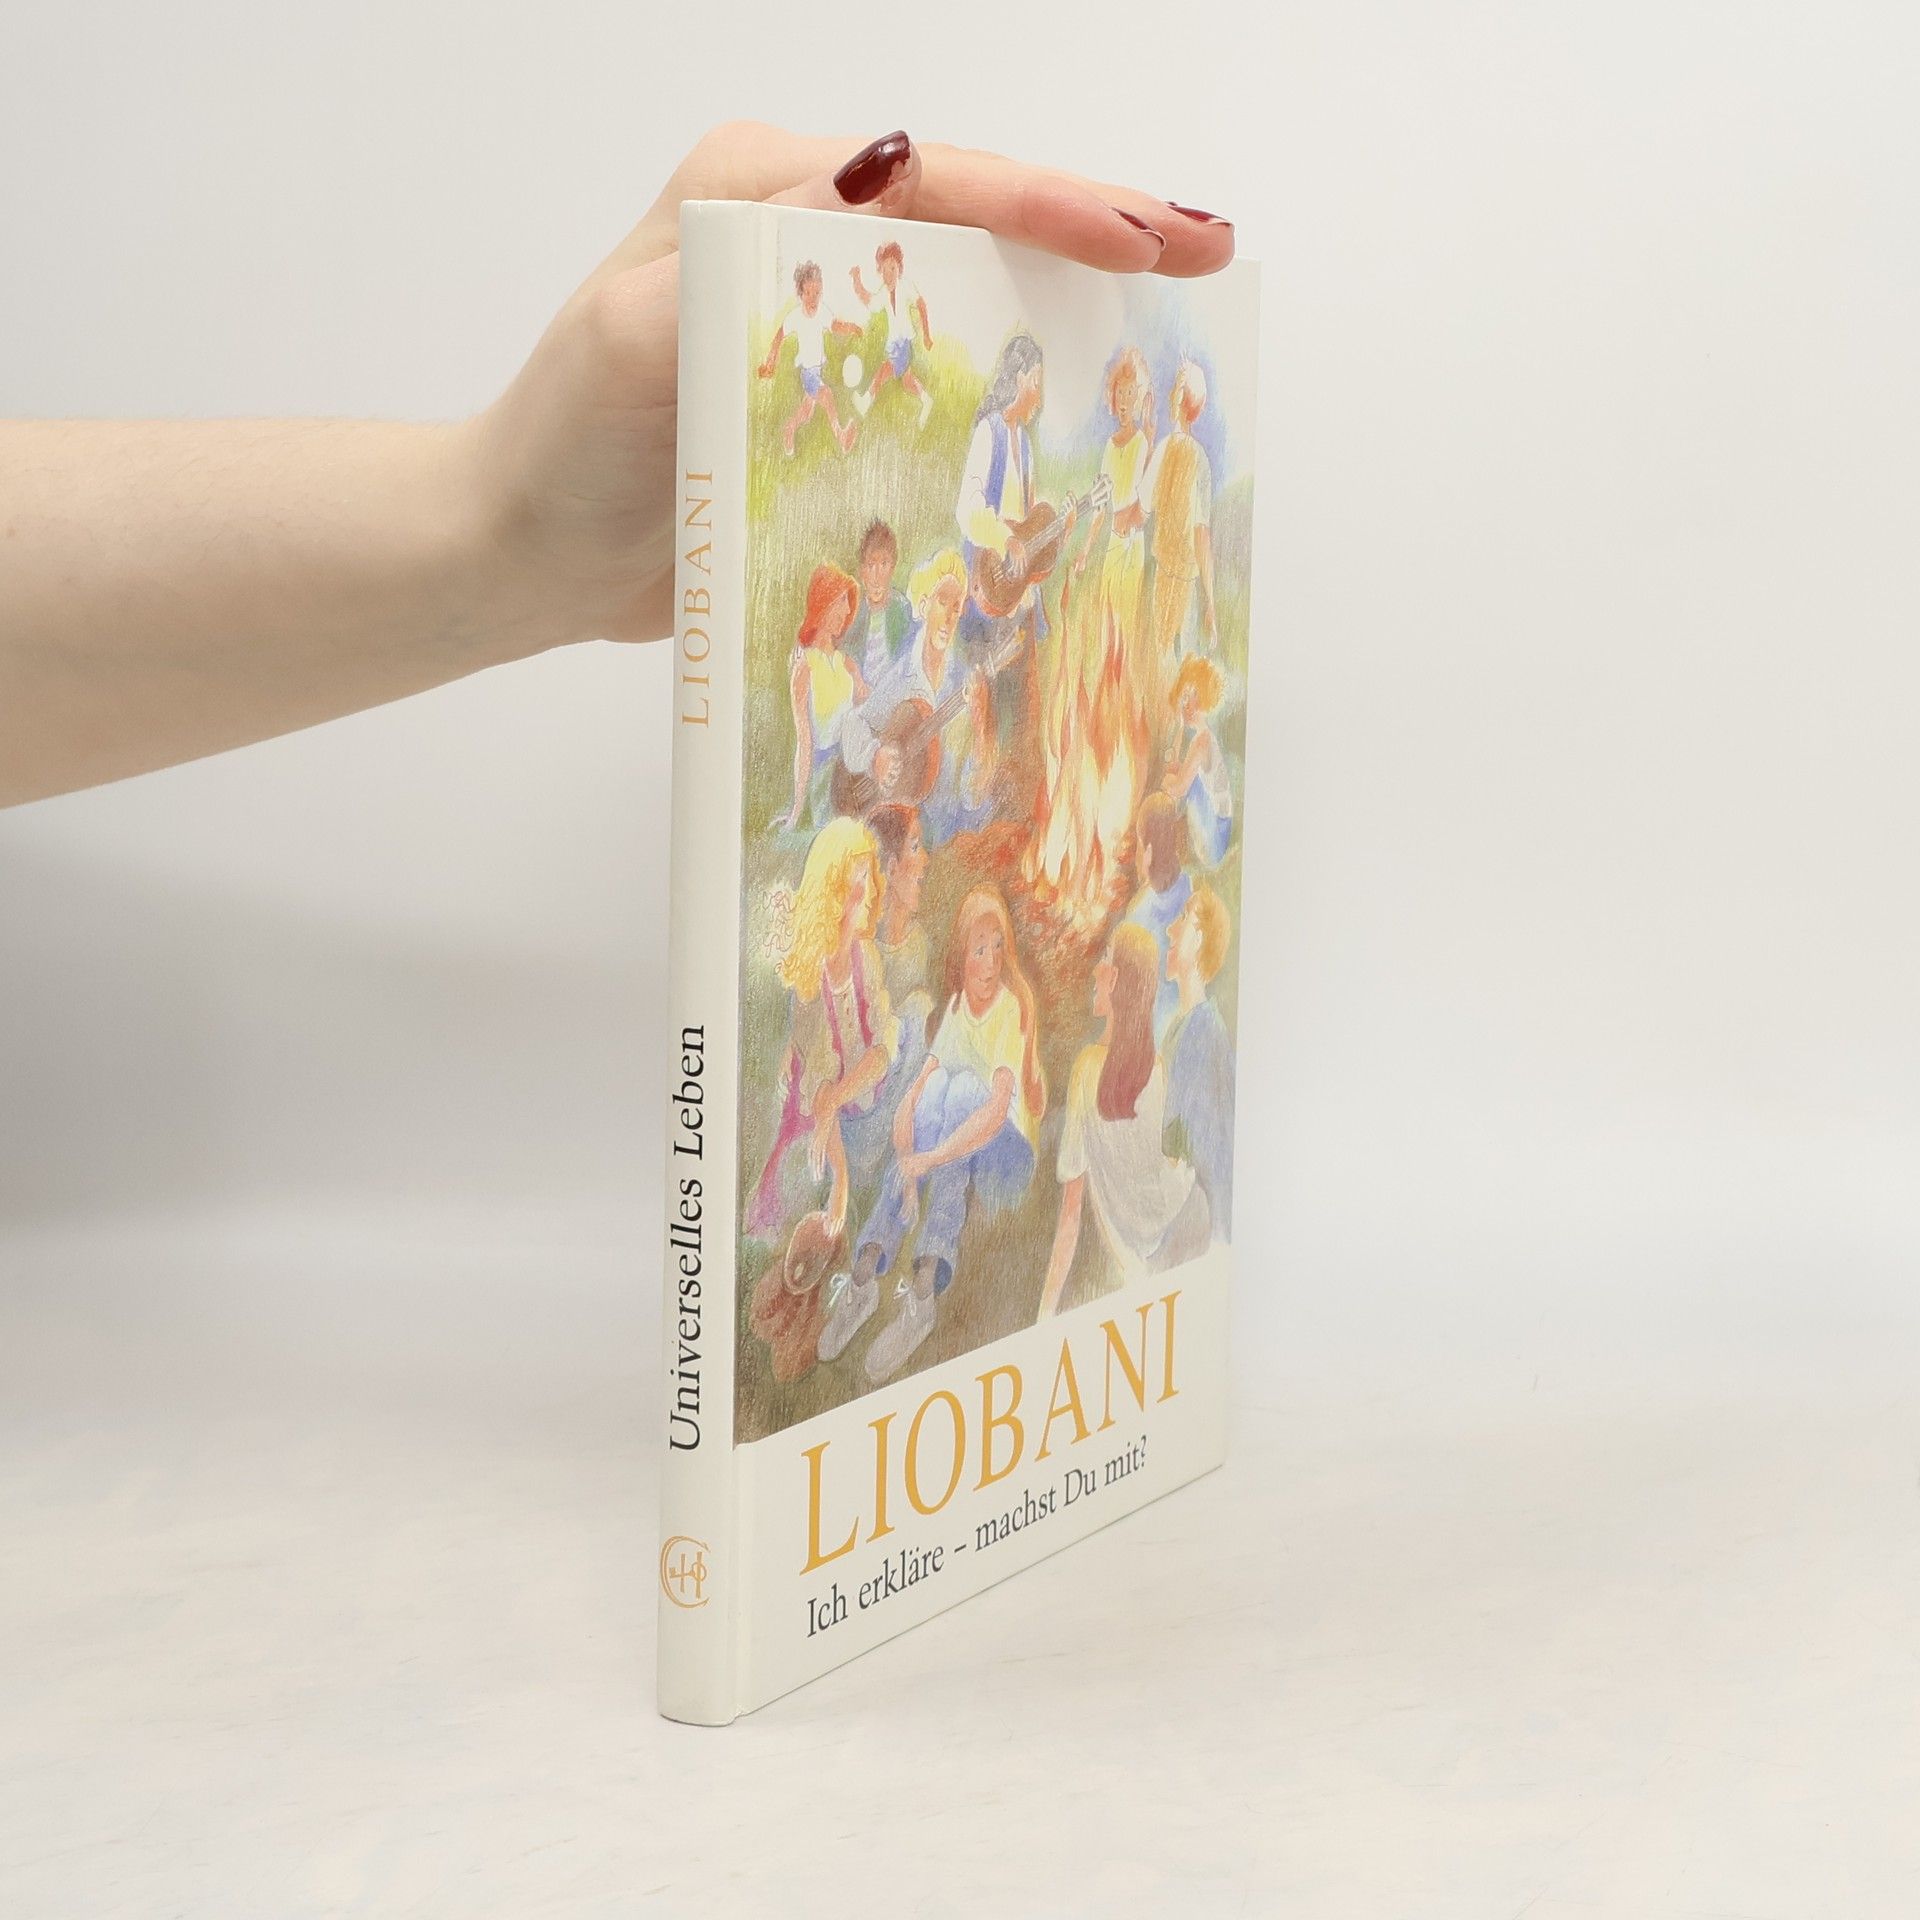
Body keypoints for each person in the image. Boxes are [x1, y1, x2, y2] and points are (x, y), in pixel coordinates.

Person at [1, 123, 1233, 809]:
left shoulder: (1050, 446)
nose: (1039, 397)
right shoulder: (961, 464)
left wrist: (497, 530)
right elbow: (968, 510)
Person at [835, 888, 1047, 1383]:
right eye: (979, 949)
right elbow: (912, 1098)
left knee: (964, 1090)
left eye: (998, 946)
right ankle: (866, 1272)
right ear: (961, 956)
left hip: (1007, 1154)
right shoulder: (955, 1007)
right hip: (959, 1133)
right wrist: (909, 1171)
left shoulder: (1010, 1009)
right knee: (932, 1091)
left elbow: (995, 1112)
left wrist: (926, 1162)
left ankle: (924, 1290)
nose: (990, 961)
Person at [1038, 923, 1211, 1318]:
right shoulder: (1158, 1068)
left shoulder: (1087, 1071)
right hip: (1188, 1223)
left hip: (1161, 1249)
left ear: (1114, 978)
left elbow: (1070, 1219)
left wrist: (1044, 1315)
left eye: (1104, 960)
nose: (1095, 971)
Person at [748, 817, 899, 1240]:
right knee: (798, 1174)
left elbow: (883, 1048)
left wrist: (837, 1096)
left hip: (862, 1090)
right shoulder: (812, 979)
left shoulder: (866, 958)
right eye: (860, 881)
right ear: (835, 894)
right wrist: (841, 1179)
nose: (872, 891)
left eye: (870, 877)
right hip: (819, 1102)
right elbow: (819, 1085)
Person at [836, 548, 998, 848]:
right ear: (923, 605)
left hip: (949, 834)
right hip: (899, 838)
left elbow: (973, 797)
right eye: (942, 602)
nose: (948, 618)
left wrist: (980, 730)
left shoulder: (965, 682)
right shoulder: (902, 677)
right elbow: (853, 724)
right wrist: (875, 757)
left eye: (956, 607)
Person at [1141, 358, 1220, 743]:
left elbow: (1143, 504)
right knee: (1178, 664)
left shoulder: (1163, 451)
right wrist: (1210, 601)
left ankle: (1164, 743)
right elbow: (1201, 534)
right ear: (1198, 407)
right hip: (1183, 578)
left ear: (1178, 400)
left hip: (1168, 574)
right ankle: (1170, 745)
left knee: (1162, 659)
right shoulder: (1199, 460)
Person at [1163, 883, 1236, 1238]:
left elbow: (1178, 1148)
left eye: (1183, 919)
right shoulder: (1181, 1028)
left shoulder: (1202, 1032)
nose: (1171, 930)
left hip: (1202, 1220)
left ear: (1201, 938)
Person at [782, 564, 864, 830]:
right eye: (840, 601)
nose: (847, 610)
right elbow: (804, 742)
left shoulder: (848, 664)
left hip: (859, 769)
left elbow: (872, 715)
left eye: (848, 603)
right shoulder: (804, 667)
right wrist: (796, 811)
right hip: (827, 780)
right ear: (823, 604)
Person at [757, 260, 865, 457]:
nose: (812, 298)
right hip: (808, 373)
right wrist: (771, 360)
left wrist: (851, 327)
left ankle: (789, 429)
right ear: (801, 294)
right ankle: (841, 436)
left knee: (806, 414)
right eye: (808, 293)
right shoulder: (796, 316)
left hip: (817, 370)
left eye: (816, 293)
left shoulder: (822, 311)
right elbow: (779, 336)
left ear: (821, 291)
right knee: (827, 396)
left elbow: (835, 326)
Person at [1124, 791, 1194, 1042]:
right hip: (1182, 1023)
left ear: (1149, 851)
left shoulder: (1139, 914)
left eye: (1138, 843)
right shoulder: (1189, 887)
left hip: (1152, 1035)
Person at [848, 240, 934, 429]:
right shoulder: (883, 293)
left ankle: (865, 401)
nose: (889, 274)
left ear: (899, 269)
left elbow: (921, 305)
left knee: (883, 372)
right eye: (885, 270)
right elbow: (868, 301)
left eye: (893, 268)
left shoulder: (906, 286)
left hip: (902, 343)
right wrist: (857, 280)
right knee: (907, 381)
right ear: (880, 271)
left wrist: (926, 335)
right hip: (894, 344)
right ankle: (926, 399)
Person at [1162, 654, 1233, 867]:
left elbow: (1177, 788)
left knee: (1182, 782)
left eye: (1193, 695)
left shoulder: (1202, 742)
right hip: (1216, 833)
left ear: (1204, 699)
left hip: (1214, 840)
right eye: (1185, 696)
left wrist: (1168, 781)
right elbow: (1174, 769)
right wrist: (1180, 726)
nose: (1187, 704)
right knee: (1180, 775)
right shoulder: (1202, 738)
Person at [850, 519, 915, 682]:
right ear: (862, 571)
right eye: (870, 565)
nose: (876, 576)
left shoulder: (902, 609)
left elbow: (908, 660)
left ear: (893, 567)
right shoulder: (855, 612)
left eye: (884, 564)